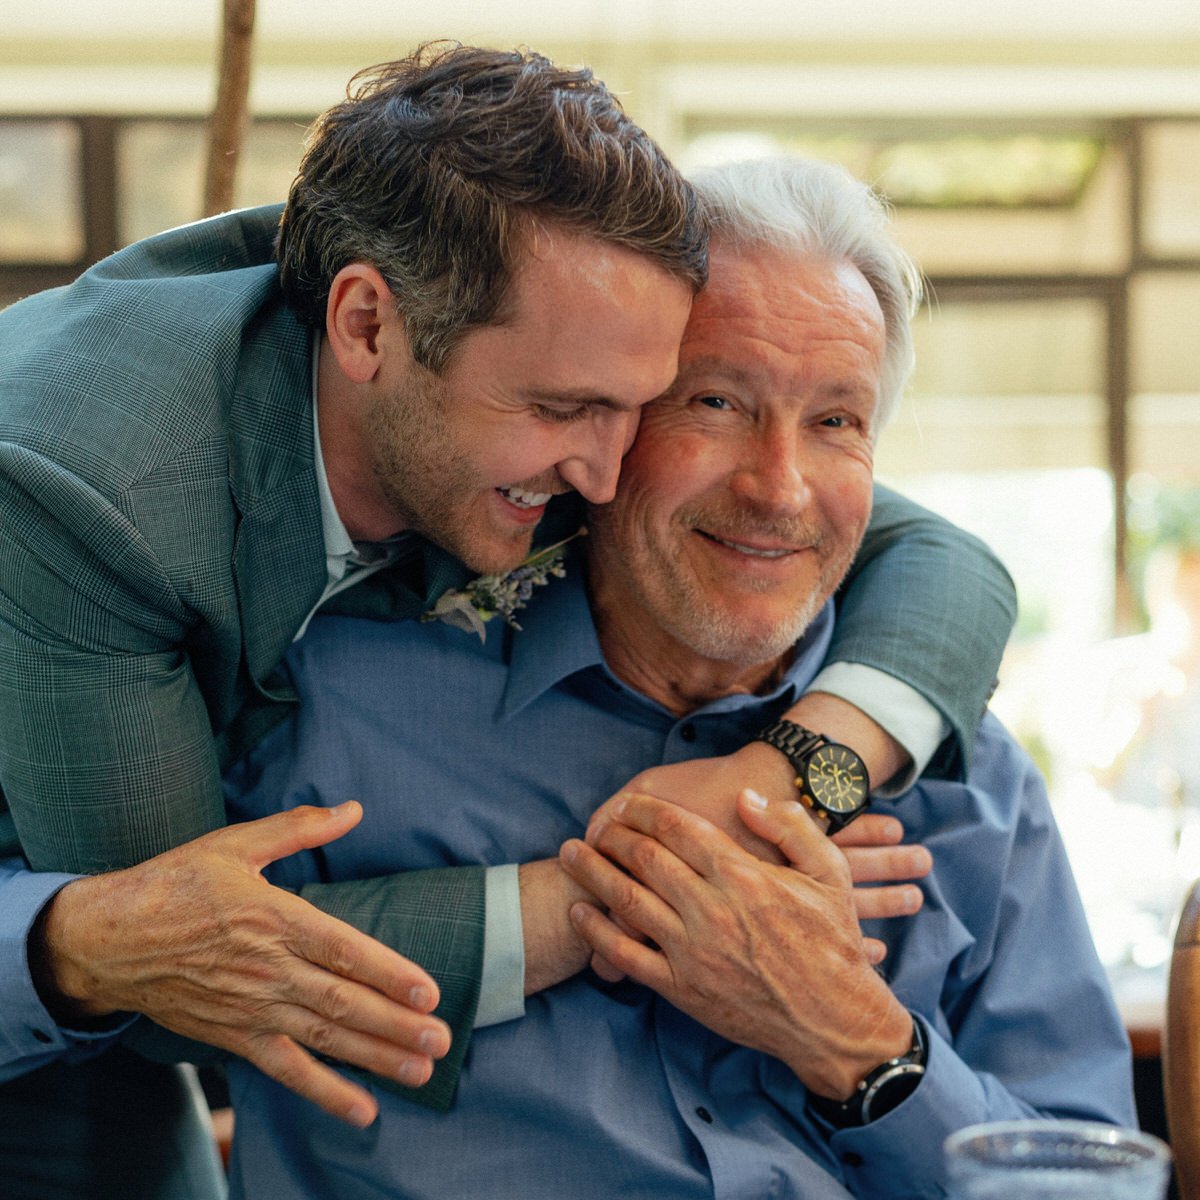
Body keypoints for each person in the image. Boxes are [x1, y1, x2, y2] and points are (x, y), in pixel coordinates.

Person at [0, 39, 1013, 1196]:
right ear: (367, 328)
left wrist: (796, 774)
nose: (604, 473)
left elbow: (936, 554)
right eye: (564, 410)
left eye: (645, 409)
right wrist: (632, 896)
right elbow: (194, 970)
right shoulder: (90, 491)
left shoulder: (508, 393)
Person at [219, 154, 1133, 1199]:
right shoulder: (330, 699)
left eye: (837, 421)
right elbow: (98, 967)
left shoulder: (967, 785)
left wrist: (855, 1039)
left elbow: (1090, 1179)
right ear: (599, 423)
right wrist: (593, 907)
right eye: (715, 402)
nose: (779, 489)